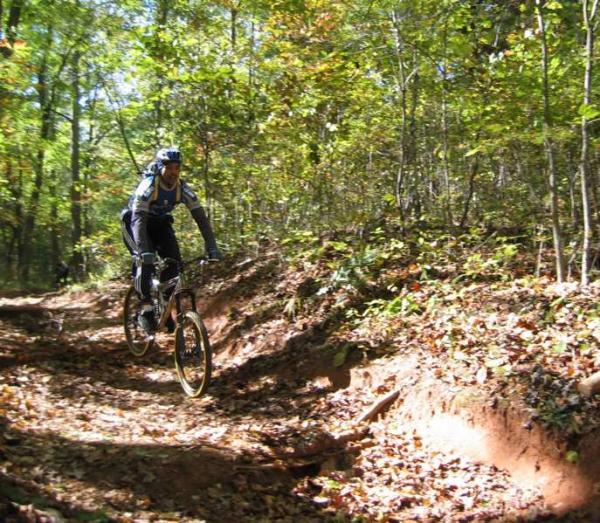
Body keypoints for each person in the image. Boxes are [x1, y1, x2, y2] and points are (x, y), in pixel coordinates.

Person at [120, 146, 222, 333]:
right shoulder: (149, 186)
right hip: (134, 224)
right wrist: (145, 251)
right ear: (160, 167)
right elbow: (138, 220)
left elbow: (201, 219)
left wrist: (212, 246)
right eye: (169, 168)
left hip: (160, 225)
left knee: (174, 264)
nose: (173, 172)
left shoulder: (182, 188)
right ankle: (146, 308)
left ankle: (164, 309)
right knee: (144, 261)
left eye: (177, 168)